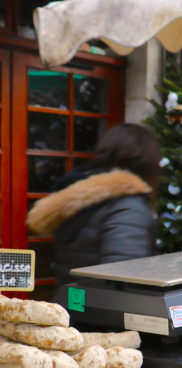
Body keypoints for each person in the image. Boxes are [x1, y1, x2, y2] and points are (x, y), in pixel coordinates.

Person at [27, 123, 161, 289]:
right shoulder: (128, 206)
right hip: (104, 311)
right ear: (146, 163)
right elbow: (125, 279)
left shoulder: (76, 196)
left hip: (72, 303)